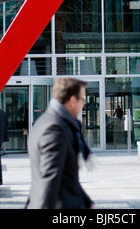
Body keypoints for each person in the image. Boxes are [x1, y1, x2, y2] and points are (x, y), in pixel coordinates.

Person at [26, 77, 95, 209]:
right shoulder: (55, 129)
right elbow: (48, 180)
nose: (83, 105)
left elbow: (66, 179)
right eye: (82, 100)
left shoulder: (44, 121)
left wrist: (89, 203)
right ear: (73, 101)